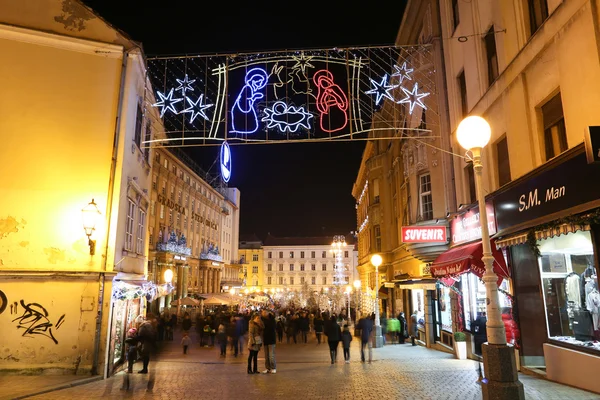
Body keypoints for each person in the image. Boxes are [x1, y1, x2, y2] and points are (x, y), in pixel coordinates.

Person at [261, 309, 277, 374]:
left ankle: (273, 368)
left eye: (264, 313)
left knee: (271, 355)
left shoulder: (272, 320)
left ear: (267, 313)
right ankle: (268, 368)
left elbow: (272, 328)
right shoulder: (262, 320)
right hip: (265, 339)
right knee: (266, 355)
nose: (263, 314)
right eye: (262, 313)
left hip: (271, 339)